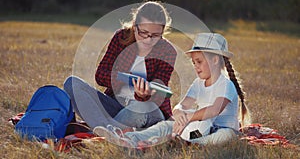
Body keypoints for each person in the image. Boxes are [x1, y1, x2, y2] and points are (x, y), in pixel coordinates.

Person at [93, 33, 251, 148]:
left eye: (199, 61)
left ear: (215, 60)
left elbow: (214, 110)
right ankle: (130, 137)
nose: (195, 66)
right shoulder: (198, 83)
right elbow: (182, 105)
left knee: (222, 136)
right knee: (166, 125)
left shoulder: (226, 85)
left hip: (222, 129)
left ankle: (188, 144)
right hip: (200, 127)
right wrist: (180, 113)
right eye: (193, 62)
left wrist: (189, 117)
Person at [63, 1, 177, 130]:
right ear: (135, 26)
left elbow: (160, 91)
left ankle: (100, 128)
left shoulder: (168, 51)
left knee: (139, 108)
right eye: (143, 32)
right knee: (72, 83)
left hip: (147, 109)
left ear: (162, 31)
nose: (148, 39)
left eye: (155, 35)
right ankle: (111, 129)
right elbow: (100, 75)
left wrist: (143, 95)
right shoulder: (120, 38)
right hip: (116, 105)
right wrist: (124, 79)